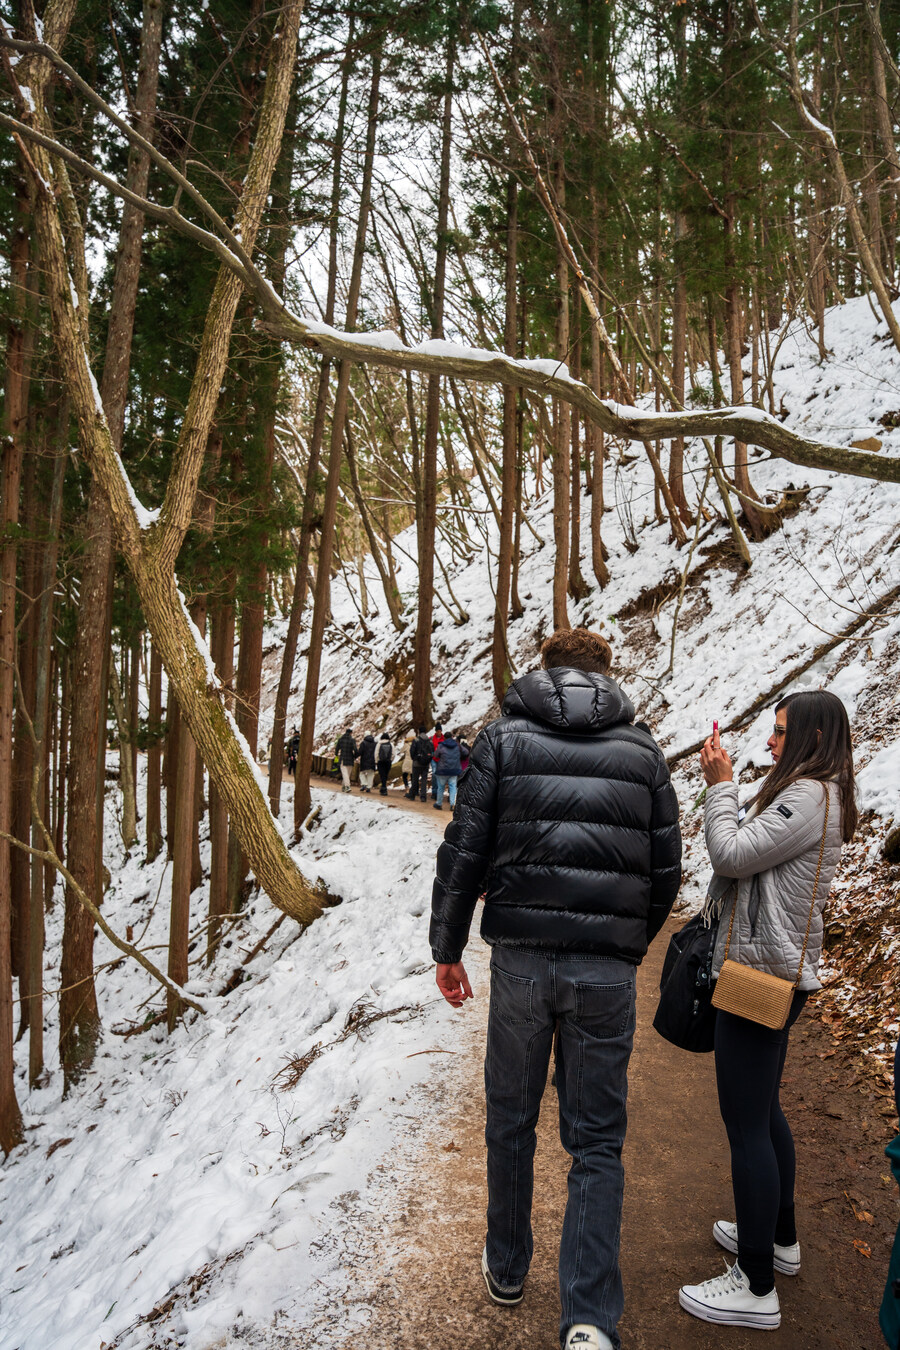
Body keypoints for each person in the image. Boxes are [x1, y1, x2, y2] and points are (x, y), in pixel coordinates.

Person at [430, 627, 681, 1350]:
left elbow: (464, 851)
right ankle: (588, 1320)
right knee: (597, 1139)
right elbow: (667, 873)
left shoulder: (503, 741)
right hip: (605, 972)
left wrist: (448, 947)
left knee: (511, 1114)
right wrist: (625, 941)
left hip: (520, 967)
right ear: (606, 676)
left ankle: (508, 1267)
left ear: (544, 674)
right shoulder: (643, 754)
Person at [678, 690, 855, 1331]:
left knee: (745, 1124)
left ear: (809, 736)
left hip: (760, 976)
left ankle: (754, 1285)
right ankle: (779, 1239)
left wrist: (721, 786)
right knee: (764, 1110)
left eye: (781, 732)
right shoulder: (816, 792)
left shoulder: (809, 796)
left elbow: (731, 853)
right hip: (772, 969)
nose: (770, 743)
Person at [431, 729, 461, 811]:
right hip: (454, 769)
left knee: (440, 787)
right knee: (453, 787)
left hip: (442, 770)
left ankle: (439, 803)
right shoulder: (457, 745)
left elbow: (436, 755)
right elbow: (465, 752)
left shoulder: (441, 746)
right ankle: (453, 804)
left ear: (444, 738)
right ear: (452, 737)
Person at [408, 726, 432, 801]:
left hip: (416, 763)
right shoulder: (429, 741)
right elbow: (431, 751)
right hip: (426, 763)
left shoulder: (416, 740)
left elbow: (412, 751)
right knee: (424, 780)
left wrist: (414, 758)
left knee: (415, 779)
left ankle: (412, 795)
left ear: (419, 731)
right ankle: (423, 797)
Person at [335, 727, 357, 794]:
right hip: (350, 759)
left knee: (345, 774)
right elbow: (355, 750)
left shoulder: (341, 739)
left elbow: (337, 748)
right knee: (347, 774)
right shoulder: (352, 740)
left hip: (343, 759)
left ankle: (345, 786)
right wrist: (355, 756)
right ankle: (346, 786)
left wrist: (336, 754)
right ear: (351, 733)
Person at [430, 722, 445, 799]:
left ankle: (439, 792)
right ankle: (434, 792)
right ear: (435, 731)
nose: (439, 732)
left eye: (440, 731)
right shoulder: (432, 738)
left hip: (441, 759)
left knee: (440, 776)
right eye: (438, 731)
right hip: (434, 759)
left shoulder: (444, 739)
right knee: (434, 774)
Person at [377, 732, 393, 796]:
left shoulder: (379, 744)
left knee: (382, 775)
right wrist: (390, 760)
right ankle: (383, 787)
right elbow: (393, 753)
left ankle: (383, 788)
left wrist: (376, 760)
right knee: (385, 775)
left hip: (380, 761)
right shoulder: (390, 744)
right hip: (388, 762)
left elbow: (376, 753)